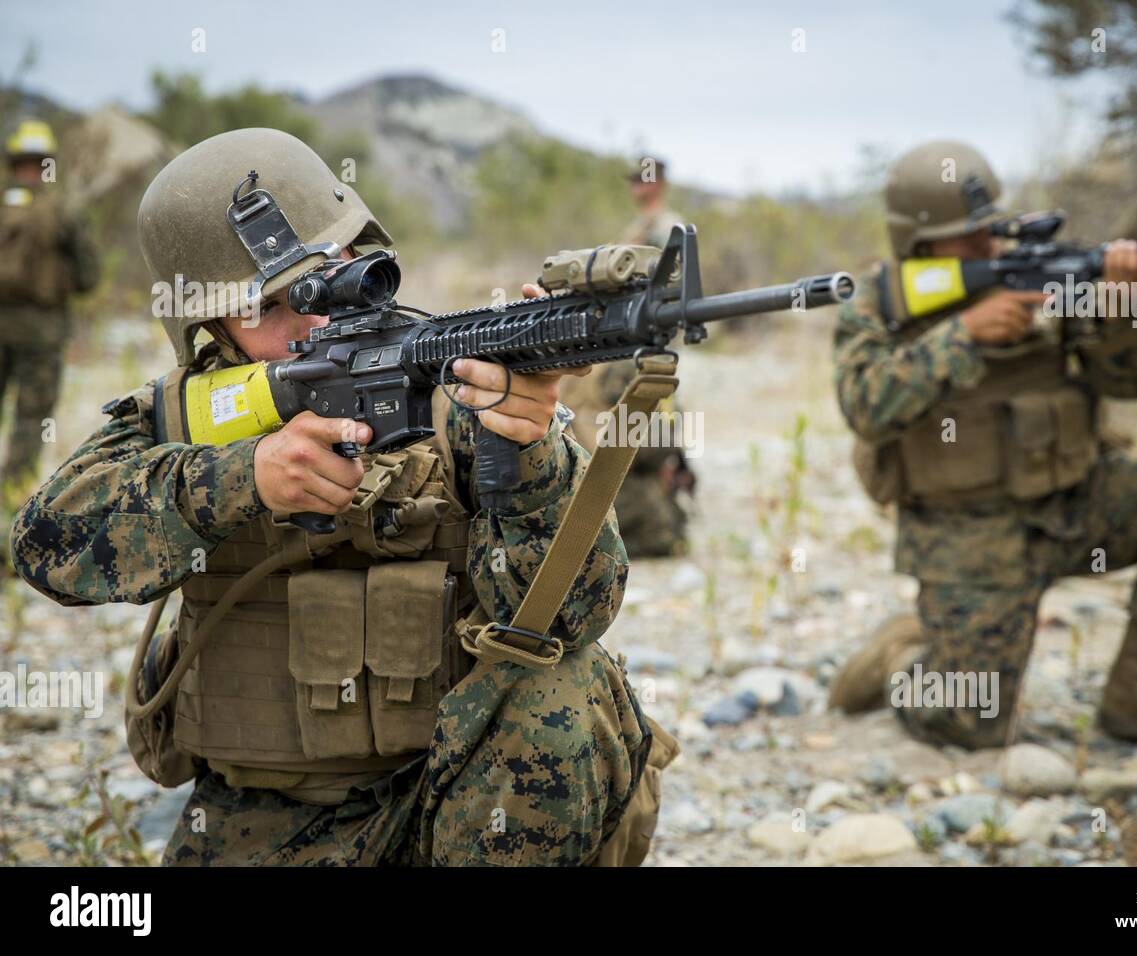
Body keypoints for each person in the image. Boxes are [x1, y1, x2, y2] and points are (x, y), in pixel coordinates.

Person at [9, 127, 676, 865]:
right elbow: (45, 544)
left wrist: (531, 456)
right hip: (261, 820)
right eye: (271, 306)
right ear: (207, 327)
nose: (316, 319)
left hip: (444, 804)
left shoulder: (459, 397)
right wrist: (245, 477)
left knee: (563, 683)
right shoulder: (190, 417)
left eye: (335, 272)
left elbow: (580, 610)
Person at [828, 140, 1137, 749]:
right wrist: (963, 336)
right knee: (970, 724)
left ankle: (1134, 695)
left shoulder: (1048, 278)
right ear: (917, 244)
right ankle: (900, 655)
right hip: (965, 535)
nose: (988, 248)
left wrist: (1121, 320)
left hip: (1073, 503)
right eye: (966, 238)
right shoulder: (880, 303)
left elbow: (1128, 383)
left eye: (991, 231)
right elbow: (864, 405)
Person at [559, 155, 692, 557]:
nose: (640, 187)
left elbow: (672, 286)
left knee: (656, 418)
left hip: (650, 338)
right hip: (627, 339)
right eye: (635, 181)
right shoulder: (637, 229)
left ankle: (663, 494)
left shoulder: (669, 227)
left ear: (661, 183)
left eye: (646, 180)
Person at [0, 119, 98, 557]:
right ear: (45, 165)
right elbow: (88, 276)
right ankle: (11, 507)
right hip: (42, 329)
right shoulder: (61, 210)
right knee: (30, 420)